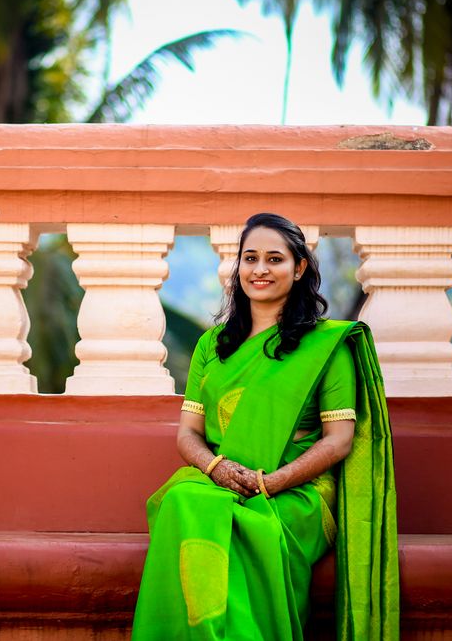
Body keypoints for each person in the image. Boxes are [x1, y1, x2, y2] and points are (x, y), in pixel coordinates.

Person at [132, 213, 399, 640]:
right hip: (221, 480)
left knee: (246, 522)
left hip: (298, 490)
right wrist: (217, 468)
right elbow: (188, 434)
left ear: (300, 268)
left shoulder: (325, 345)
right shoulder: (213, 345)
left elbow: (340, 440)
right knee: (184, 500)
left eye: (274, 259)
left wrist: (273, 482)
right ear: (238, 268)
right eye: (250, 258)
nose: (260, 270)